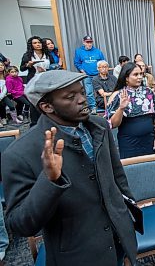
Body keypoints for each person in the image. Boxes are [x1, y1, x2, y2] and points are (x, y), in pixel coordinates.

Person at [2, 70, 137, 266]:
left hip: (119, 236)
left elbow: (117, 176)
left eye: (82, 92)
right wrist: (49, 181)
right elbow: (20, 225)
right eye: (70, 97)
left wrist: (128, 214)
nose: (83, 99)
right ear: (47, 106)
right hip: (79, 253)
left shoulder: (99, 126)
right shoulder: (18, 154)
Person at [106, 62, 155, 159]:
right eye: (136, 74)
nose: (140, 77)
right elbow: (113, 124)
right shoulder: (117, 95)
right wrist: (121, 108)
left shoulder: (149, 92)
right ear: (126, 78)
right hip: (128, 142)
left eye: (141, 74)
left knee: (150, 168)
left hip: (149, 139)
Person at [74, 35, 105, 114]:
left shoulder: (97, 51)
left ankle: (103, 105)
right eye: (87, 42)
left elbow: (102, 62)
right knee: (89, 92)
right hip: (87, 75)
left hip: (97, 75)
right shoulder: (79, 51)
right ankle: (93, 107)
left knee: (100, 91)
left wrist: (101, 71)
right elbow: (77, 62)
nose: (89, 44)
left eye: (90, 42)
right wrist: (82, 70)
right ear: (84, 42)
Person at [0, 62, 17, 126]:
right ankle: (2, 118)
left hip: (5, 94)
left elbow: (6, 87)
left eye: (2, 65)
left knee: (11, 105)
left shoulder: (7, 76)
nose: (0, 66)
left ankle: (7, 118)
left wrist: (2, 96)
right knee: (1, 104)